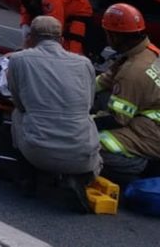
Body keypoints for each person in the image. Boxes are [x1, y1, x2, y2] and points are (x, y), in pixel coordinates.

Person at [94, 3, 160, 185]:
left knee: (92, 145)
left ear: (115, 36)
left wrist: (82, 122)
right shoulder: (146, 52)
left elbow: (117, 119)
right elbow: (104, 81)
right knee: (101, 101)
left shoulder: (133, 71)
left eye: (107, 33)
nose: (106, 38)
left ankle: (155, 170)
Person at [7, 15, 101, 206]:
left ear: (30, 38)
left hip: (37, 152)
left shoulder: (18, 60)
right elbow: (88, 103)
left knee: (18, 114)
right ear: (62, 40)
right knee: (85, 119)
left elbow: (19, 102)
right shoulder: (84, 63)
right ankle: (80, 178)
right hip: (82, 155)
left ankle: (28, 176)